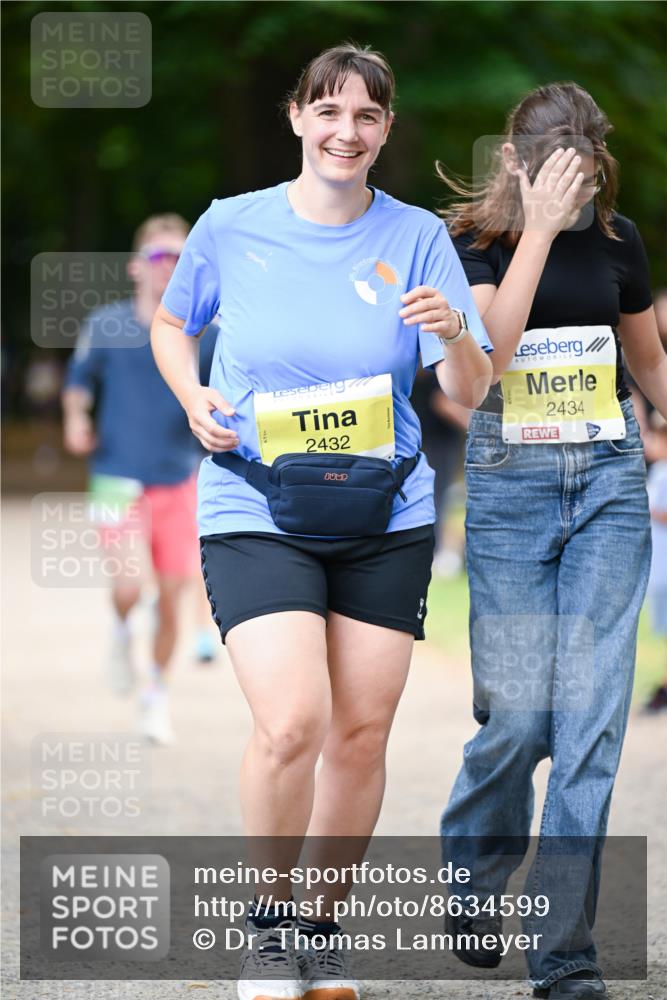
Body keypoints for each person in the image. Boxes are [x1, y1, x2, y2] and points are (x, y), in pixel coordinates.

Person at [151, 42, 492, 1000]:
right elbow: (173, 325)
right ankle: (265, 933)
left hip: (384, 510)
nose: (347, 132)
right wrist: (190, 396)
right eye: (330, 111)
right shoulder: (231, 226)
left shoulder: (419, 236)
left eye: (368, 117)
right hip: (254, 499)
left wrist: (454, 331)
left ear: (384, 130)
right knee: (294, 722)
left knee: (359, 736)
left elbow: (468, 391)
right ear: (297, 116)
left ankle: (320, 929)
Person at [438, 82, 667, 1000]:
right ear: (516, 161)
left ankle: (562, 952)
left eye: (582, 173)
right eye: (550, 175)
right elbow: (483, 365)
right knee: (520, 718)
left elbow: (645, 360)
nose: (571, 192)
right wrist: (533, 228)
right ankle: (470, 877)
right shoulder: (474, 243)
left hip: (609, 481)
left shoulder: (619, 242)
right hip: (509, 484)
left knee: (589, 725)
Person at [62, 214, 218, 745]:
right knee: (129, 584)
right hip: (115, 475)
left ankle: (154, 695)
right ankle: (123, 627)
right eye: (158, 257)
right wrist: (77, 420)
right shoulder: (107, 324)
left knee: (173, 597)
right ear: (136, 266)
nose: (167, 266)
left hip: (177, 477)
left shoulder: (205, 332)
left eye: (178, 257)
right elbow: (79, 383)